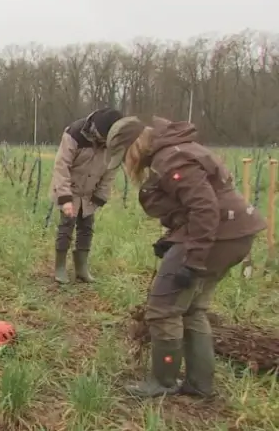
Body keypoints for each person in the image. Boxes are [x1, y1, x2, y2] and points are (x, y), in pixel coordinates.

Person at [105, 115, 267, 398]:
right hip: (233, 235)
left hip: (216, 237)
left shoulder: (169, 160)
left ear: (134, 146)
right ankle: (200, 385)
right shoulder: (178, 149)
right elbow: (194, 207)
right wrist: (171, 241)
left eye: (124, 156)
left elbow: (205, 209)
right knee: (192, 309)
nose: (128, 165)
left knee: (163, 309)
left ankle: (163, 381)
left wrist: (192, 261)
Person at [49, 107, 123, 284]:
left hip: (90, 192)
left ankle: (82, 269)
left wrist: (100, 195)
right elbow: (62, 166)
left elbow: (111, 171)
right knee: (67, 226)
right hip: (70, 189)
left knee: (87, 228)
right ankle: (60, 268)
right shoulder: (75, 133)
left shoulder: (116, 143)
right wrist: (65, 198)